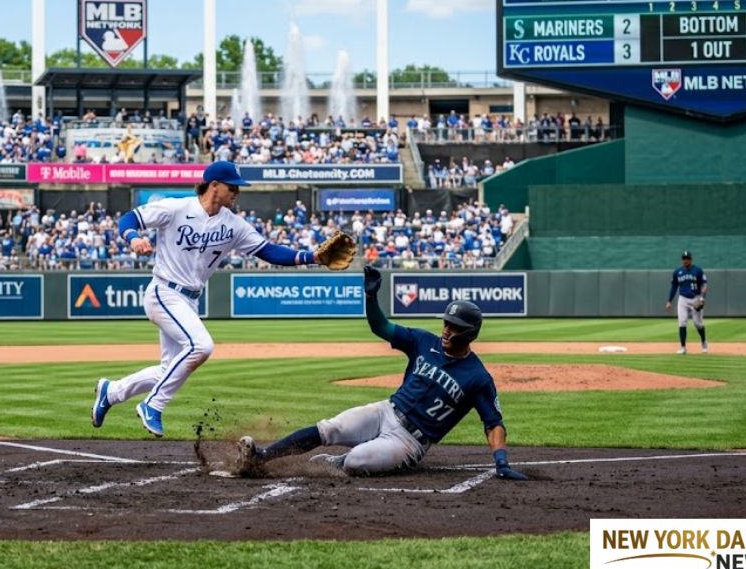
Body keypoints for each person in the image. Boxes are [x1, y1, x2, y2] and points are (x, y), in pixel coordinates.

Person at [91, 161, 336, 437]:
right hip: (163, 291)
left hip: (190, 300)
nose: (237, 193)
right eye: (233, 187)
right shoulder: (177, 209)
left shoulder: (233, 224)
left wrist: (312, 257)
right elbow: (129, 218)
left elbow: (268, 251)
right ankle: (153, 405)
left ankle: (111, 392)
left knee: (169, 370)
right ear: (214, 185)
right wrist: (133, 238)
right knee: (201, 346)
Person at [236, 266, 528, 480]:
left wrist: (501, 461)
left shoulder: (477, 377)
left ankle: (337, 462)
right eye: (446, 323)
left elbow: (493, 423)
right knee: (330, 428)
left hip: (409, 442)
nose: (446, 329)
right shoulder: (423, 341)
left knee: (357, 461)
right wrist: (371, 298)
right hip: (385, 411)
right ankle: (262, 457)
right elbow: (381, 327)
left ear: (470, 334)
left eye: (454, 326)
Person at [665, 250, 708, 354]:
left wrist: (702, 298)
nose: (686, 261)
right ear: (681, 260)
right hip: (683, 299)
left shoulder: (698, 270)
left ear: (691, 260)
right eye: (684, 259)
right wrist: (669, 301)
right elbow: (674, 287)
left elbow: (704, 285)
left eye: (687, 259)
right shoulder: (677, 272)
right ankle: (683, 348)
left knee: (698, 324)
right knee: (682, 322)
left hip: (695, 298)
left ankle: (703, 342)